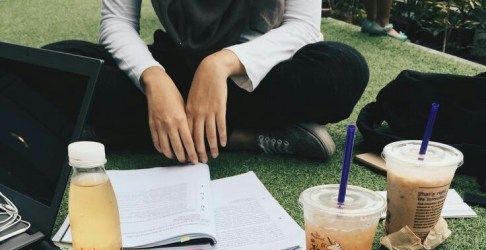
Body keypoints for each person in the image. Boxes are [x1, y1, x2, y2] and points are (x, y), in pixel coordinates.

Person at [45, 0, 369, 164]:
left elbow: (303, 27)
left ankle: (169, 131)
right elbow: (117, 21)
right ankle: (242, 135)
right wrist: (152, 78)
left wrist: (220, 65)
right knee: (58, 62)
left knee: (344, 69)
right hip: (174, 63)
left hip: (255, 73)